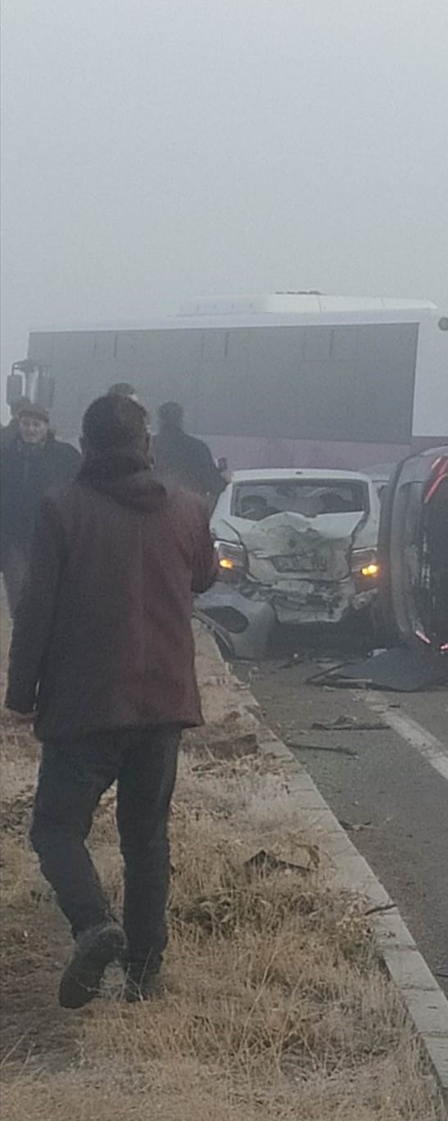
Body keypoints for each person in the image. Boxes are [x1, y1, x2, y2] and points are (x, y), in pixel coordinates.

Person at [5, 394, 218, 1007]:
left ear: (86, 446)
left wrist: (21, 694)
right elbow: (204, 576)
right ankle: (144, 974)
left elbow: (37, 608)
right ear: (146, 444)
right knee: (146, 839)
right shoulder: (187, 508)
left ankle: (94, 924)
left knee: (55, 829)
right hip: (164, 704)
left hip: (86, 704)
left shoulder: (63, 509)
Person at [0, 403, 81, 613]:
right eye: (26, 424)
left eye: (36, 425)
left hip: (51, 536)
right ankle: (21, 626)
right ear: (19, 425)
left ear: (46, 426)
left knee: (46, 592)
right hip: (14, 538)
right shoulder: (6, 456)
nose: (30, 429)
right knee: (18, 592)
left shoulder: (65, 457)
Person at [150, 402, 226, 502]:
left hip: (153, 506)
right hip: (189, 507)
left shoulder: (148, 446)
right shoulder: (198, 447)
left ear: (159, 421)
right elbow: (214, 484)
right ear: (180, 421)